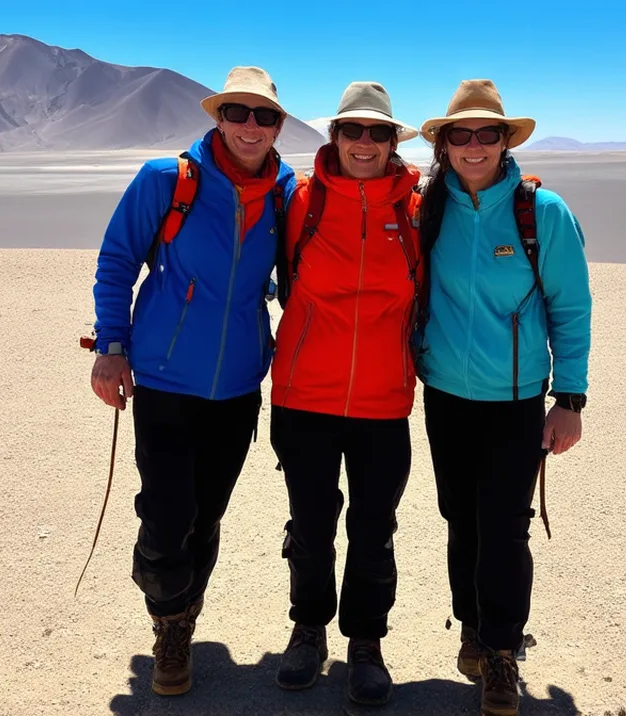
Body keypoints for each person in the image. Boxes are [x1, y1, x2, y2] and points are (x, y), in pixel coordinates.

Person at [89, 66, 299, 697]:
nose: (250, 126)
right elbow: (117, 261)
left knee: (205, 515)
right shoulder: (168, 179)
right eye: (238, 112)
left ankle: (181, 617)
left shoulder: (287, 192)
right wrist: (111, 346)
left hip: (237, 385)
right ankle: (166, 617)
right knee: (166, 514)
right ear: (218, 118)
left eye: (264, 116)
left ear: (278, 126)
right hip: (165, 378)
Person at [413, 79, 592, 716]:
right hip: (444, 394)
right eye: (460, 134)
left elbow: (571, 306)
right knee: (460, 518)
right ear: (443, 144)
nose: (474, 144)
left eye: (487, 133)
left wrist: (570, 398)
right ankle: (472, 625)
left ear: (505, 141)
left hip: (515, 400)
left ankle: (501, 651)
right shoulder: (429, 207)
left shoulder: (541, 213)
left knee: (506, 527)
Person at [268, 81, 422, 706]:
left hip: (384, 400)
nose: (364, 142)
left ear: (392, 141)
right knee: (311, 522)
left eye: (377, 132)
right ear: (333, 136)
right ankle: (308, 629)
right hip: (304, 395)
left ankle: (366, 641)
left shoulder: (417, 208)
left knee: (373, 527)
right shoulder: (300, 201)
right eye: (352, 130)